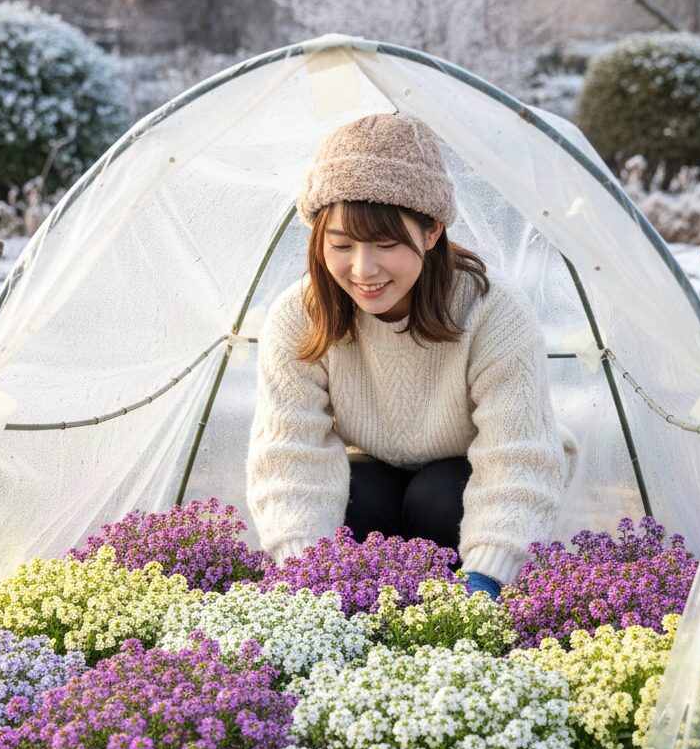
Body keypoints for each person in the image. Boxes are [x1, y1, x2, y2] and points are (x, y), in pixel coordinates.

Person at [246, 112, 577, 597]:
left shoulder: (492, 310)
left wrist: (486, 576)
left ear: (432, 231)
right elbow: (289, 453)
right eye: (341, 245)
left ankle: (445, 608)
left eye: (385, 244)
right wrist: (306, 577)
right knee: (359, 497)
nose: (363, 269)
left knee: (438, 497)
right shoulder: (301, 313)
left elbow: (517, 455)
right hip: (376, 466)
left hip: (465, 474)